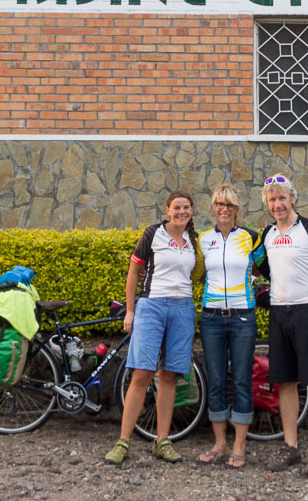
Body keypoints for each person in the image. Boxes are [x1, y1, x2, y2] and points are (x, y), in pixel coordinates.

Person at [254, 174, 308, 477]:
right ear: (267, 204)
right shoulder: (266, 233)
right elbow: (261, 269)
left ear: (292, 198)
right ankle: (290, 447)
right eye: (272, 199)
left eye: (282, 198)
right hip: (279, 313)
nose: (277, 204)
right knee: (285, 382)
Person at [105, 190, 203, 465]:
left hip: (183, 309)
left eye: (186, 207)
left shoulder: (194, 241)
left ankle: (162, 441)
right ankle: (122, 442)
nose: (181, 212)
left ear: (192, 210)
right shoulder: (153, 233)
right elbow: (134, 272)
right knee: (142, 374)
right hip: (152, 307)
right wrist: (131, 310)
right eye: (176, 207)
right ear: (168, 208)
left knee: (169, 376)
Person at [192, 184, 260, 469]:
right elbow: (195, 274)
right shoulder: (203, 240)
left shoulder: (250, 238)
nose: (224, 209)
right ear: (213, 207)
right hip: (211, 317)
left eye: (229, 205)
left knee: (242, 380)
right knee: (217, 380)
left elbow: (264, 269)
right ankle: (219, 443)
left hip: (243, 315)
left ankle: (240, 445)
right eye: (219, 204)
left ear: (237, 209)